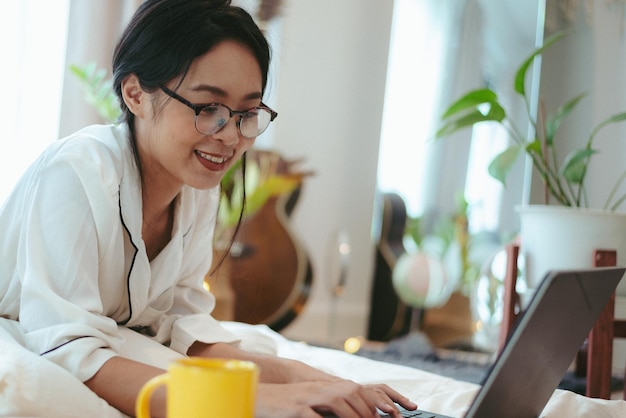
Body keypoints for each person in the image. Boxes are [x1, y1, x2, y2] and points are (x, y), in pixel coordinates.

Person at [0, 0, 418, 417]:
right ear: (135, 94)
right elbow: (67, 348)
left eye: (247, 113)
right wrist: (250, 402)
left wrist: (304, 378)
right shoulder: (76, 173)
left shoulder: (196, 187)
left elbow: (181, 328)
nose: (231, 136)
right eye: (208, 108)